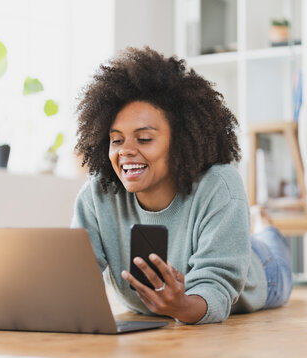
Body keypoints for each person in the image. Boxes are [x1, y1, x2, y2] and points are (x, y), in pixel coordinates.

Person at [71, 47, 292, 325]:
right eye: (117, 140)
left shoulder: (218, 186)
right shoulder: (97, 194)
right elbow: (74, 276)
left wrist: (182, 305)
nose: (125, 151)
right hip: (216, 249)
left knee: (271, 248)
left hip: (260, 273)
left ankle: (265, 227)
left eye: (144, 139)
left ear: (182, 141)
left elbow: (217, 287)